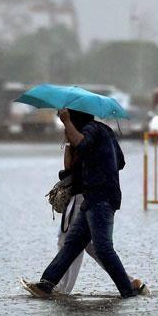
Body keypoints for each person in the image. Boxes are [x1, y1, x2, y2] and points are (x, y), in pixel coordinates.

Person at [24, 108, 146, 299]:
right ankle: (46, 285)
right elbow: (119, 161)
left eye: (69, 118)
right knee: (72, 244)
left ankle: (129, 289)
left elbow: (82, 144)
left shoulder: (92, 130)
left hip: (101, 197)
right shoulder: (103, 131)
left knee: (103, 248)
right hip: (92, 198)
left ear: (75, 118)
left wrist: (66, 123)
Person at [56, 136, 147, 294]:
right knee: (92, 246)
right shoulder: (95, 136)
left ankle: (61, 287)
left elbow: (69, 167)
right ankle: (129, 281)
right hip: (89, 196)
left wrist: (69, 142)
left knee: (69, 241)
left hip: (83, 197)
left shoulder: (82, 137)